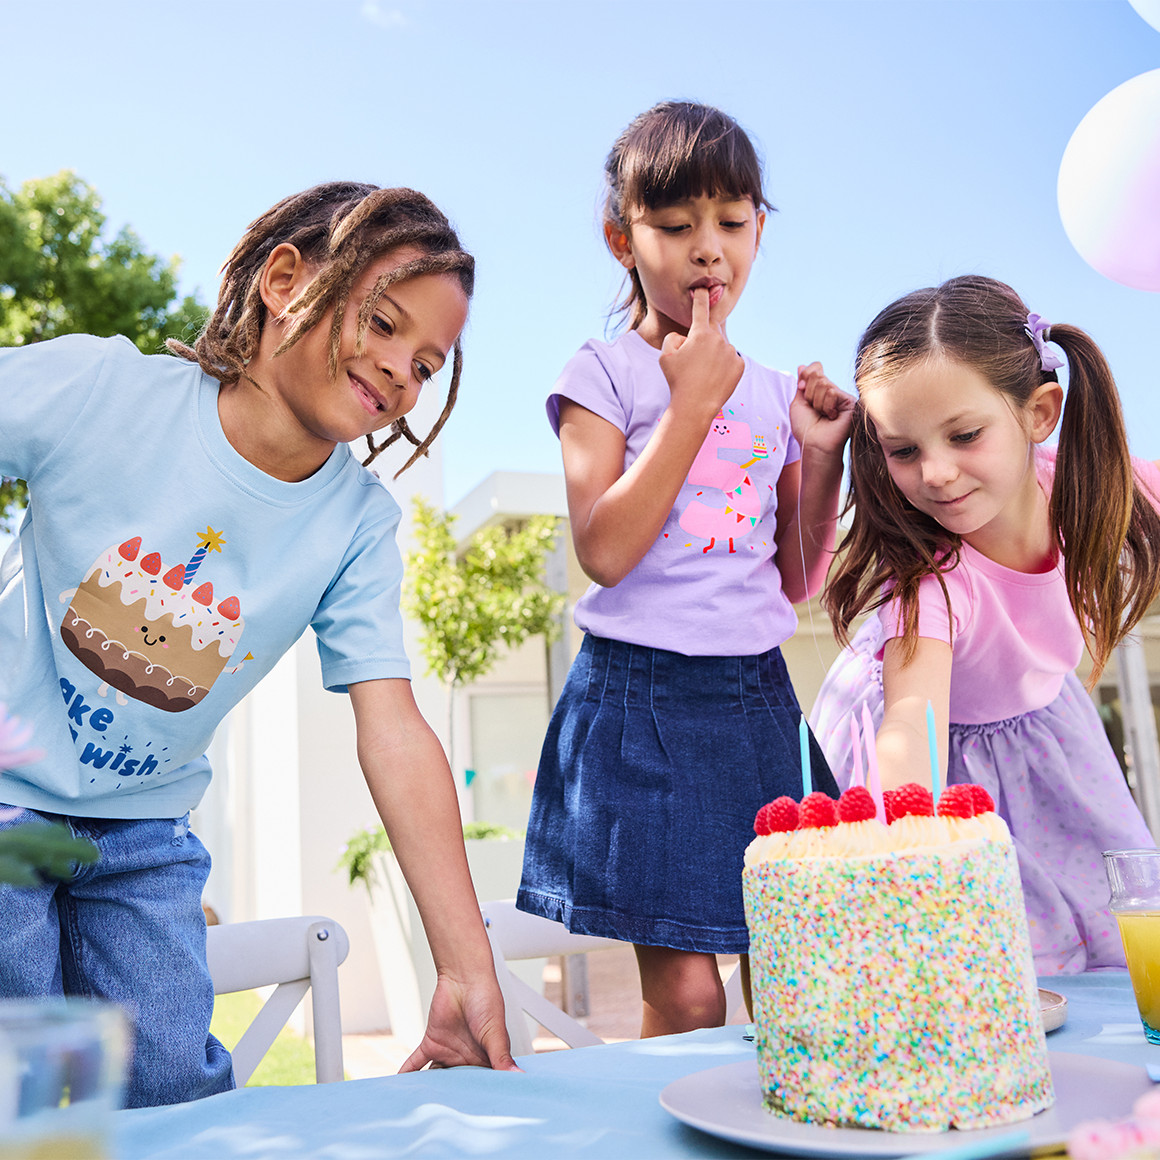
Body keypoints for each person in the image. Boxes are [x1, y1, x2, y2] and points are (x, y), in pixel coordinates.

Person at [0, 182, 517, 1106]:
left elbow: (393, 732)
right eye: (385, 322)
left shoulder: (355, 524)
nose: (404, 370)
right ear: (284, 279)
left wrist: (466, 964)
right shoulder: (102, 392)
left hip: (141, 832)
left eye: (429, 363)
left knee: (169, 1084)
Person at [516, 101, 853, 1036]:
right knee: (692, 996)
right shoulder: (605, 372)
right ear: (624, 238)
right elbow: (605, 550)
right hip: (639, 700)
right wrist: (692, 406)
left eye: (733, 222)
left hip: (754, 698)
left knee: (792, 975)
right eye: (675, 225)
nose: (710, 250)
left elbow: (794, 576)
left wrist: (820, 455)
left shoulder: (779, 391)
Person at [809, 274, 1160, 974]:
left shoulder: (1090, 484)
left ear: (1039, 414)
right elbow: (911, 720)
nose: (935, 473)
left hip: (1050, 734)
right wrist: (915, 829)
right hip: (936, 760)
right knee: (988, 964)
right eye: (902, 450)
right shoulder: (929, 580)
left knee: (1125, 929)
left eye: (964, 435)